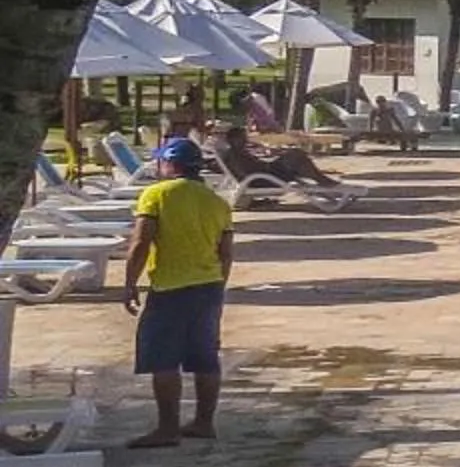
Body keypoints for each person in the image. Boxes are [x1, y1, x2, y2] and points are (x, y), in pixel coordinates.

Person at [120, 138, 233, 448]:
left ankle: (168, 428)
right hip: (209, 287)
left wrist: (129, 282)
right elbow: (226, 253)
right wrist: (218, 286)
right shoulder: (217, 202)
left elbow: (141, 242)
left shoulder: (156, 194)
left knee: (163, 359)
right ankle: (204, 422)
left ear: (170, 164)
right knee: (205, 357)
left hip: (170, 287)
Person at [218, 122, 344, 191]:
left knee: (295, 154)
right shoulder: (234, 154)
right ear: (233, 139)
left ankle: (321, 179)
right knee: (296, 155)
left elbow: (251, 166)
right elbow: (246, 173)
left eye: (244, 137)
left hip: (266, 173)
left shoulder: (236, 152)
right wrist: (265, 163)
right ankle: (322, 180)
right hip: (264, 178)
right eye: (242, 138)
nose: (245, 140)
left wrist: (265, 159)